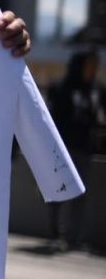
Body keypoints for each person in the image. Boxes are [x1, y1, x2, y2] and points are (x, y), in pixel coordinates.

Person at [48, 49, 105, 250]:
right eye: (89, 66)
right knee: (60, 192)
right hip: (64, 149)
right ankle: (57, 233)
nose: (92, 70)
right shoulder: (63, 87)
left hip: (85, 149)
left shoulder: (96, 90)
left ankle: (75, 237)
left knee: (81, 194)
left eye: (94, 66)